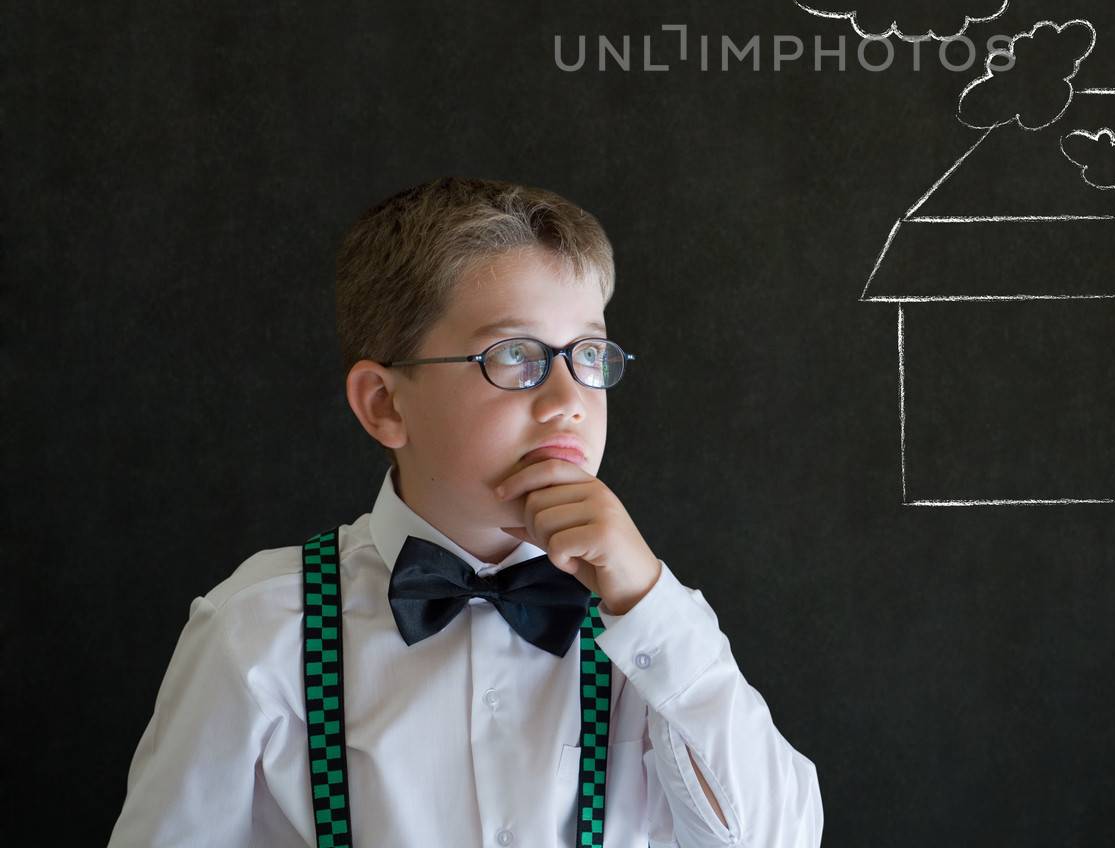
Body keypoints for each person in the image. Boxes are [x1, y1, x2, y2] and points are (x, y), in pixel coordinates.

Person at [108, 177, 824, 847]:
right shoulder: (261, 628)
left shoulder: (652, 632)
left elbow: (780, 837)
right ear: (385, 405)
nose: (568, 399)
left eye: (589, 354)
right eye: (514, 356)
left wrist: (649, 604)